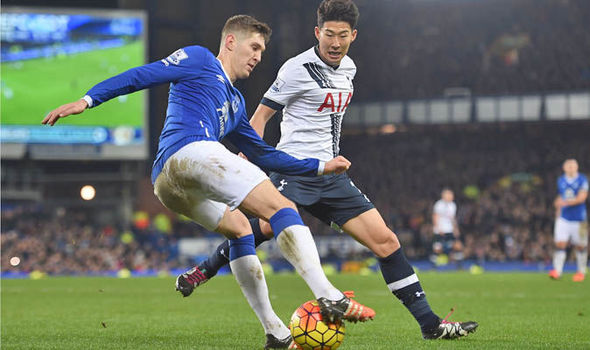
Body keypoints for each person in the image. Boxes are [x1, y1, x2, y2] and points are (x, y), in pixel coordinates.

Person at [42, 14, 375, 349]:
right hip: (190, 152)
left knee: (241, 230)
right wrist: (88, 100)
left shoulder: (235, 104)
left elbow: (265, 153)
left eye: (262, 50)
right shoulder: (200, 59)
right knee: (283, 207)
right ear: (231, 41)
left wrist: (319, 167)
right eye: (254, 46)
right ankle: (329, 295)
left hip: (169, 184)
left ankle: (275, 332)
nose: (258, 56)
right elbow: (143, 75)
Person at [177, 0, 477, 340]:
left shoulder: (349, 68)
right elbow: (260, 116)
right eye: (329, 34)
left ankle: (430, 326)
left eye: (343, 35)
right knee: (259, 230)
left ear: (354, 36)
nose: (335, 42)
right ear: (318, 33)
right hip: (296, 169)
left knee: (387, 242)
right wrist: (247, 157)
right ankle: (204, 270)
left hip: (332, 176)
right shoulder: (296, 68)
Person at [549, 159, 588, 282]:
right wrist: (558, 205)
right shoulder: (561, 180)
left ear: (577, 167)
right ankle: (557, 271)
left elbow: (582, 198)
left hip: (579, 219)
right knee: (560, 243)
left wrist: (564, 203)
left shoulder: (583, 180)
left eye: (573, 166)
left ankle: (581, 272)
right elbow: (562, 195)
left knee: (581, 246)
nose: (571, 168)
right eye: (569, 166)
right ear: (564, 168)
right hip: (564, 218)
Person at [431, 188, 464, 267]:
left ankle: (459, 266)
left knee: (457, 245)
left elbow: (452, 218)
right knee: (437, 248)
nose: (451, 196)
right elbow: (435, 216)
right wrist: (438, 228)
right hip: (440, 230)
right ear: (444, 196)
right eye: (449, 195)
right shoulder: (439, 204)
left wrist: (455, 229)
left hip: (449, 229)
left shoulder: (452, 205)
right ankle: (433, 266)